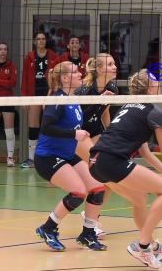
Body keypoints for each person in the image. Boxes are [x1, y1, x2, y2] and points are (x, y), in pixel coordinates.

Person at [89, 69, 162, 269]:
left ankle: (154, 246)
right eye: (156, 81)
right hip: (112, 161)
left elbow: (147, 154)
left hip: (95, 163)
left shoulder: (128, 107)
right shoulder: (154, 112)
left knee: (140, 199)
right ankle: (143, 246)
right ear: (149, 88)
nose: (160, 84)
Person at [34, 61, 107, 252]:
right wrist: (73, 135)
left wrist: (102, 100)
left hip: (67, 154)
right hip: (48, 157)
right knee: (78, 192)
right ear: (65, 78)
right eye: (75, 72)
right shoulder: (57, 99)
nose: (80, 74)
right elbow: (46, 127)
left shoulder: (72, 99)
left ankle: (88, 234)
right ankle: (48, 228)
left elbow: (86, 115)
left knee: (98, 188)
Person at [74, 53, 119, 238]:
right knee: (99, 176)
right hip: (79, 135)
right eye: (110, 64)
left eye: (114, 63)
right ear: (99, 69)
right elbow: (79, 119)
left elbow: (105, 112)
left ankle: (92, 215)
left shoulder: (112, 87)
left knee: (109, 177)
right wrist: (98, 101)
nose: (115, 66)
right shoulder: (85, 90)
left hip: (96, 131)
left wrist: (111, 134)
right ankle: (90, 221)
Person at [21, 31, 57, 168]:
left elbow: (56, 76)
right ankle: (31, 158)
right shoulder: (29, 57)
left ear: (45, 41)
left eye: (43, 39)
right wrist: (24, 98)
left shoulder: (53, 56)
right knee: (33, 125)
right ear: (35, 42)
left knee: (49, 125)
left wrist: (52, 91)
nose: (41, 41)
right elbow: (24, 78)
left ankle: (50, 157)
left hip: (49, 94)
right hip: (34, 93)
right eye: (38, 39)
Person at [0, 42, 17, 167]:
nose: (3, 51)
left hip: (7, 99)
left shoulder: (11, 65)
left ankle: (10, 157)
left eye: (5, 49)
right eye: (0, 49)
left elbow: (13, 83)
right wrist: (5, 81)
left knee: (9, 131)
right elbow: (8, 81)